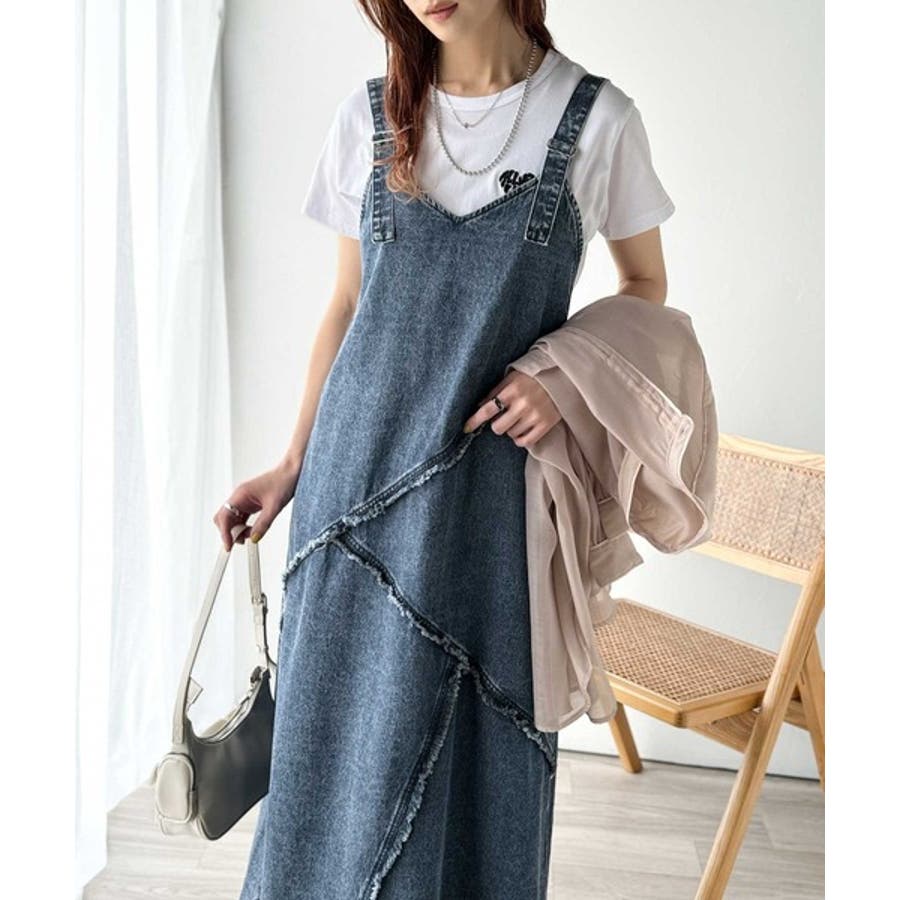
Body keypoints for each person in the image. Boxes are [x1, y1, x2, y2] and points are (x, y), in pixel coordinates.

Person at [220, 2, 675, 897]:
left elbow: (646, 284)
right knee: (329, 763)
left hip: (491, 508)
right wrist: (292, 465)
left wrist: (561, 374)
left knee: (478, 765)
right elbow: (346, 306)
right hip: (352, 499)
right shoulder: (368, 117)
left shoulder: (599, 121)